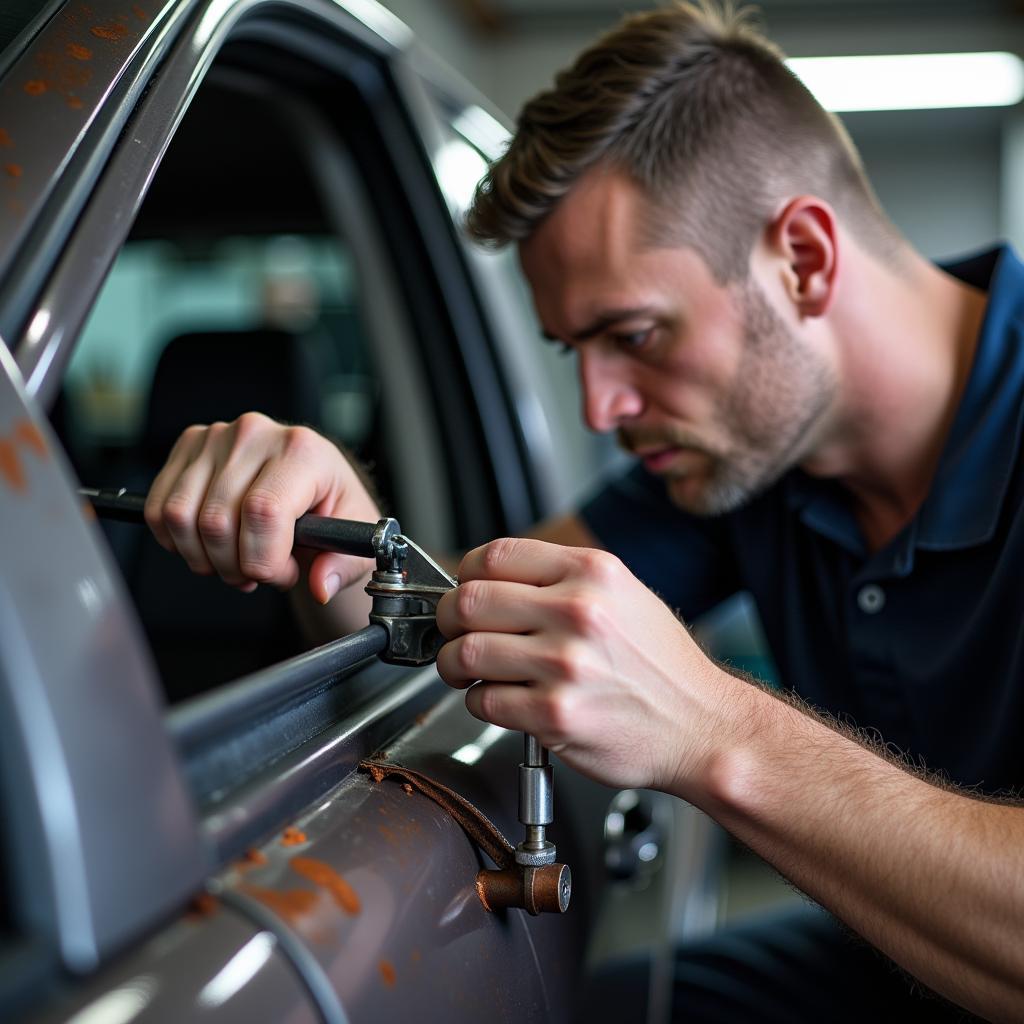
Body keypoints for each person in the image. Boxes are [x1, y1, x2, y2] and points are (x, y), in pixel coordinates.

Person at [144, 3, 1024, 1020]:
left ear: (805, 260)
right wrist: (341, 538)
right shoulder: (744, 456)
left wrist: (712, 729)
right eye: (577, 353)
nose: (601, 410)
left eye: (636, 335)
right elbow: (465, 620)